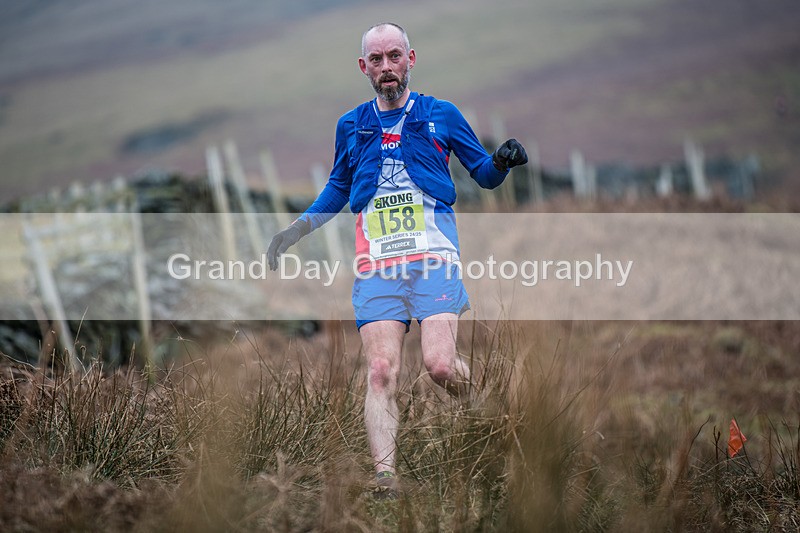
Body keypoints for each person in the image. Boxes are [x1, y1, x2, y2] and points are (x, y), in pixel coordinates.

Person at [267, 22, 527, 498]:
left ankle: (489, 411)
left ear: (411, 58)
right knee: (381, 371)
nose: (387, 67)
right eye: (377, 60)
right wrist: (296, 229)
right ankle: (386, 479)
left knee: (440, 366)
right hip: (377, 266)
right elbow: (338, 189)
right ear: (364, 68)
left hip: (434, 260)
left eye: (394, 56)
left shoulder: (441, 115)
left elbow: (484, 176)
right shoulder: (351, 125)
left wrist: (504, 160)